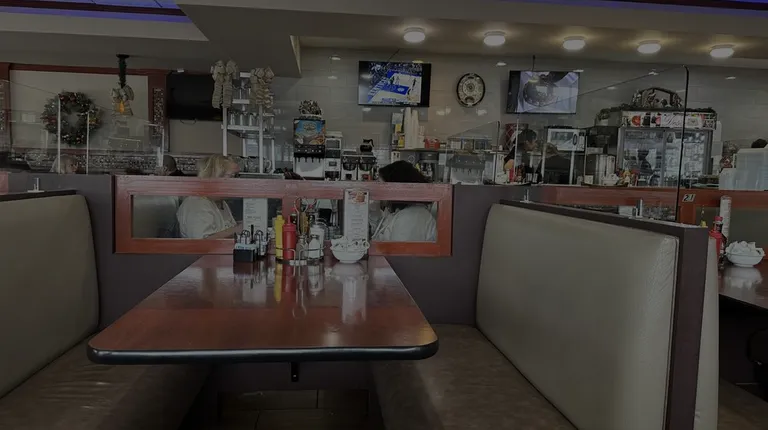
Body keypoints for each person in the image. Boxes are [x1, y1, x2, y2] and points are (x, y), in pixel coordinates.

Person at [176, 155, 241, 239]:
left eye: (238, 176)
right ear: (215, 177)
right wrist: (237, 229)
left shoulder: (220, 202)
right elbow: (203, 242)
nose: (237, 182)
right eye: (233, 176)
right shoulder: (197, 203)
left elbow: (225, 228)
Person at [371, 160, 436, 242]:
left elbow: (400, 249)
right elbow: (379, 231)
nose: (378, 191)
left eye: (382, 187)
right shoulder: (401, 212)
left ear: (395, 189)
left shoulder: (410, 218)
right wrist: (372, 206)